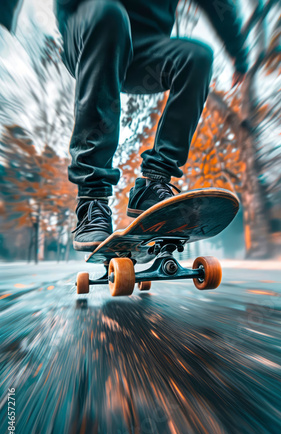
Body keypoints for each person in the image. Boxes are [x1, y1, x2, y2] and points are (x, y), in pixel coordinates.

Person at [1, 0, 247, 251]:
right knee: (109, 14)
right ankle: (92, 199)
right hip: (89, 30)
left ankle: (153, 184)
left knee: (197, 57)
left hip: (145, 51)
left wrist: (238, 53)